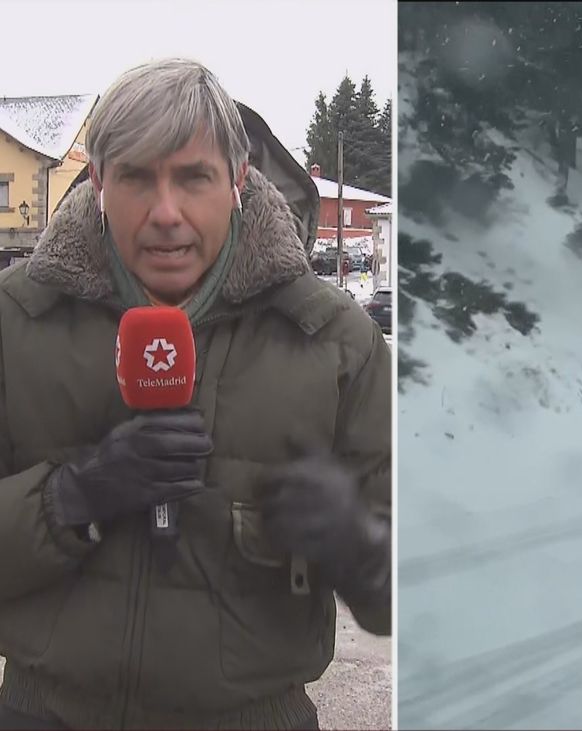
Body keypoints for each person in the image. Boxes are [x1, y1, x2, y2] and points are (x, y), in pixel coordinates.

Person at [0, 58, 391, 729]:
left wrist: (357, 541)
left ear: (238, 180)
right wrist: (70, 497)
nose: (165, 213)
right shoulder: (16, 320)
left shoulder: (334, 341)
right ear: (97, 181)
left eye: (193, 177)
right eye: (135, 178)